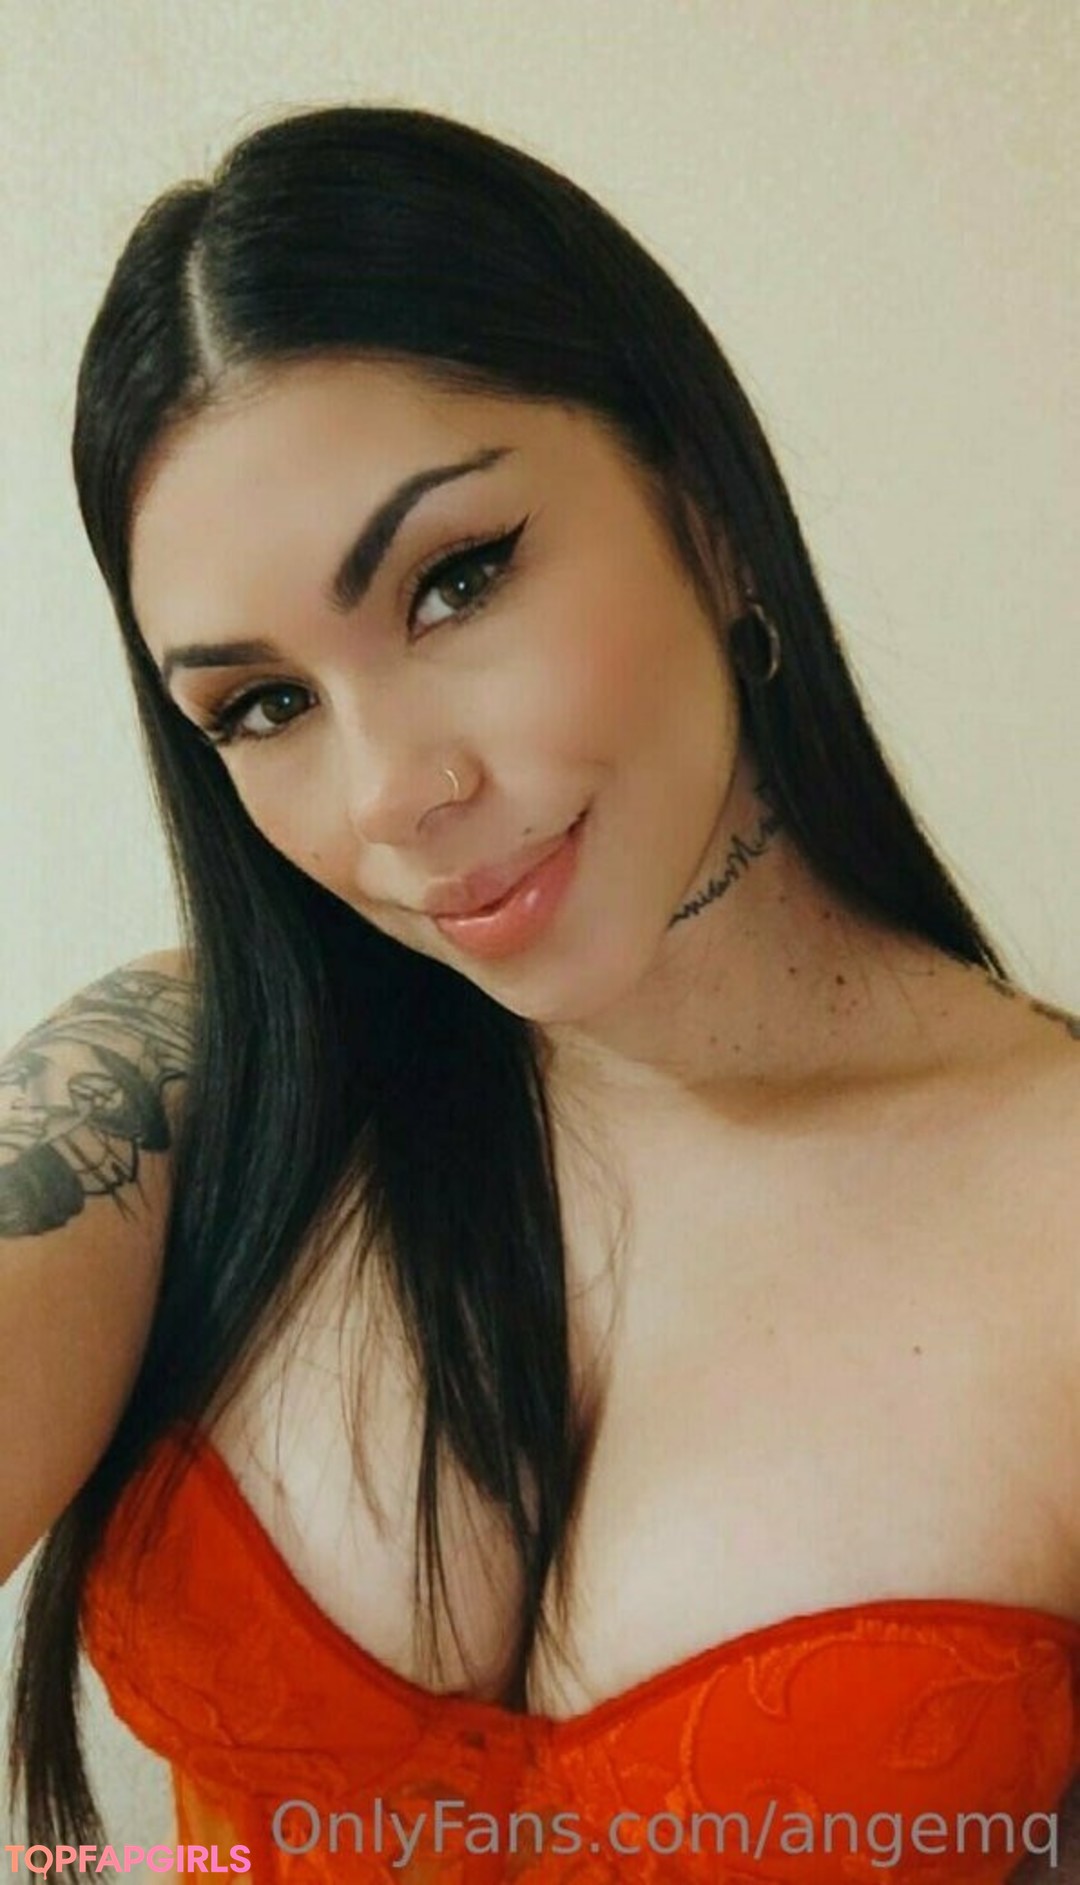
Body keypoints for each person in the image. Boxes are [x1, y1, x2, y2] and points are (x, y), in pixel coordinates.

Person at [4, 104, 1079, 1882]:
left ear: (707, 510)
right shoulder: (194, 1083)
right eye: (262, 705)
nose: (391, 795)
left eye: (455, 583)